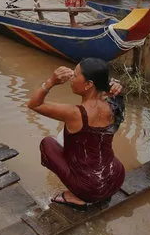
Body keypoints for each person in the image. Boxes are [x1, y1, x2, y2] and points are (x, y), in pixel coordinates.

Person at [27, 58, 125, 210]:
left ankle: (77, 198)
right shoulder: (114, 103)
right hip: (116, 178)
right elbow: (114, 93)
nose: (71, 78)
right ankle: (87, 188)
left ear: (89, 84)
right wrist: (114, 88)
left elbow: (34, 104)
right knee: (95, 147)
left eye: (75, 75)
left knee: (48, 144)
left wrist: (51, 81)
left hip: (91, 189)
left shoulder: (75, 113)